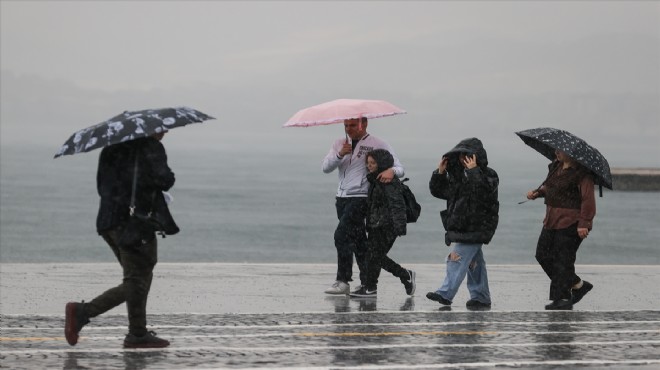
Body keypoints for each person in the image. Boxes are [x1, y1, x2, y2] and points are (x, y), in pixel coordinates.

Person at [64, 131, 179, 348]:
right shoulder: (150, 147)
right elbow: (165, 179)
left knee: (137, 276)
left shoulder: (111, 148)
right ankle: (82, 312)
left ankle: (137, 334)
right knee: (137, 280)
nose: (165, 131)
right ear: (149, 129)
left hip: (108, 221)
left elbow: (102, 187)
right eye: (161, 128)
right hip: (135, 224)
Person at [321, 117, 408, 295]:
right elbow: (325, 167)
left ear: (364, 124)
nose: (349, 129)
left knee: (341, 235)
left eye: (353, 125)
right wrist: (339, 155)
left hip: (361, 198)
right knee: (360, 243)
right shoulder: (339, 143)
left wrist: (391, 171)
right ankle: (368, 284)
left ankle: (343, 280)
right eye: (346, 125)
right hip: (341, 198)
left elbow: (400, 168)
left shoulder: (378, 143)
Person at [426, 138, 499, 309]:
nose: (463, 159)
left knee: (456, 258)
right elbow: (440, 192)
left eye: (467, 156)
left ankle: (445, 293)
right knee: (475, 263)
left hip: (478, 225)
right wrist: (440, 173)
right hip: (461, 226)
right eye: (460, 156)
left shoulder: (489, 174)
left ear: (476, 156)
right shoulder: (457, 176)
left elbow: (483, 192)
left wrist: (474, 171)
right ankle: (481, 297)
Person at [526, 149, 595, 310]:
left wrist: (584, 223)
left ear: (572, 153)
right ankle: (578, 285)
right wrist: (538, 193)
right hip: (551, 220)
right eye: (556, 149)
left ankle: (562, 299)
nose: (557, 152)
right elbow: (551, 187)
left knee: (563, 260)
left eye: (561, 151)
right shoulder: (555, 167)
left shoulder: (582, 173)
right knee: (542, 254)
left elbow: (588, 199)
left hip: (571, 222)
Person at [349, 149, 415, 298]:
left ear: (382, 163)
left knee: (375, 256)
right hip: (376, 225)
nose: (369, 166)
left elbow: (397, 205)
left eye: (373, 163)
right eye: (368, 163)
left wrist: (399, 227)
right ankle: (370, 287)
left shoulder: (387, 181)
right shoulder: (375, 179)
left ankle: (405, 275)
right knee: (373, 257)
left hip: (387, 226)